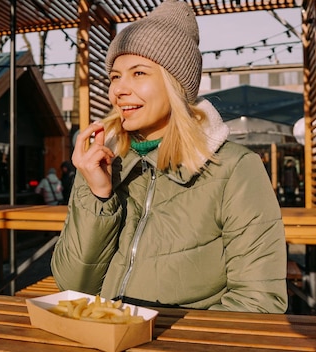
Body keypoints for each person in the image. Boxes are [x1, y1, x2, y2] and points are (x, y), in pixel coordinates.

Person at [51, 0, 287, 313]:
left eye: (138, 73)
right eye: (114, 76)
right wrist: (99, 196)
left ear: (176, 83)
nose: (119, 89)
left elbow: (258, 302)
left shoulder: (235, 168)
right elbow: (72, 287)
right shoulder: (102, 162)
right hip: (104, 334)